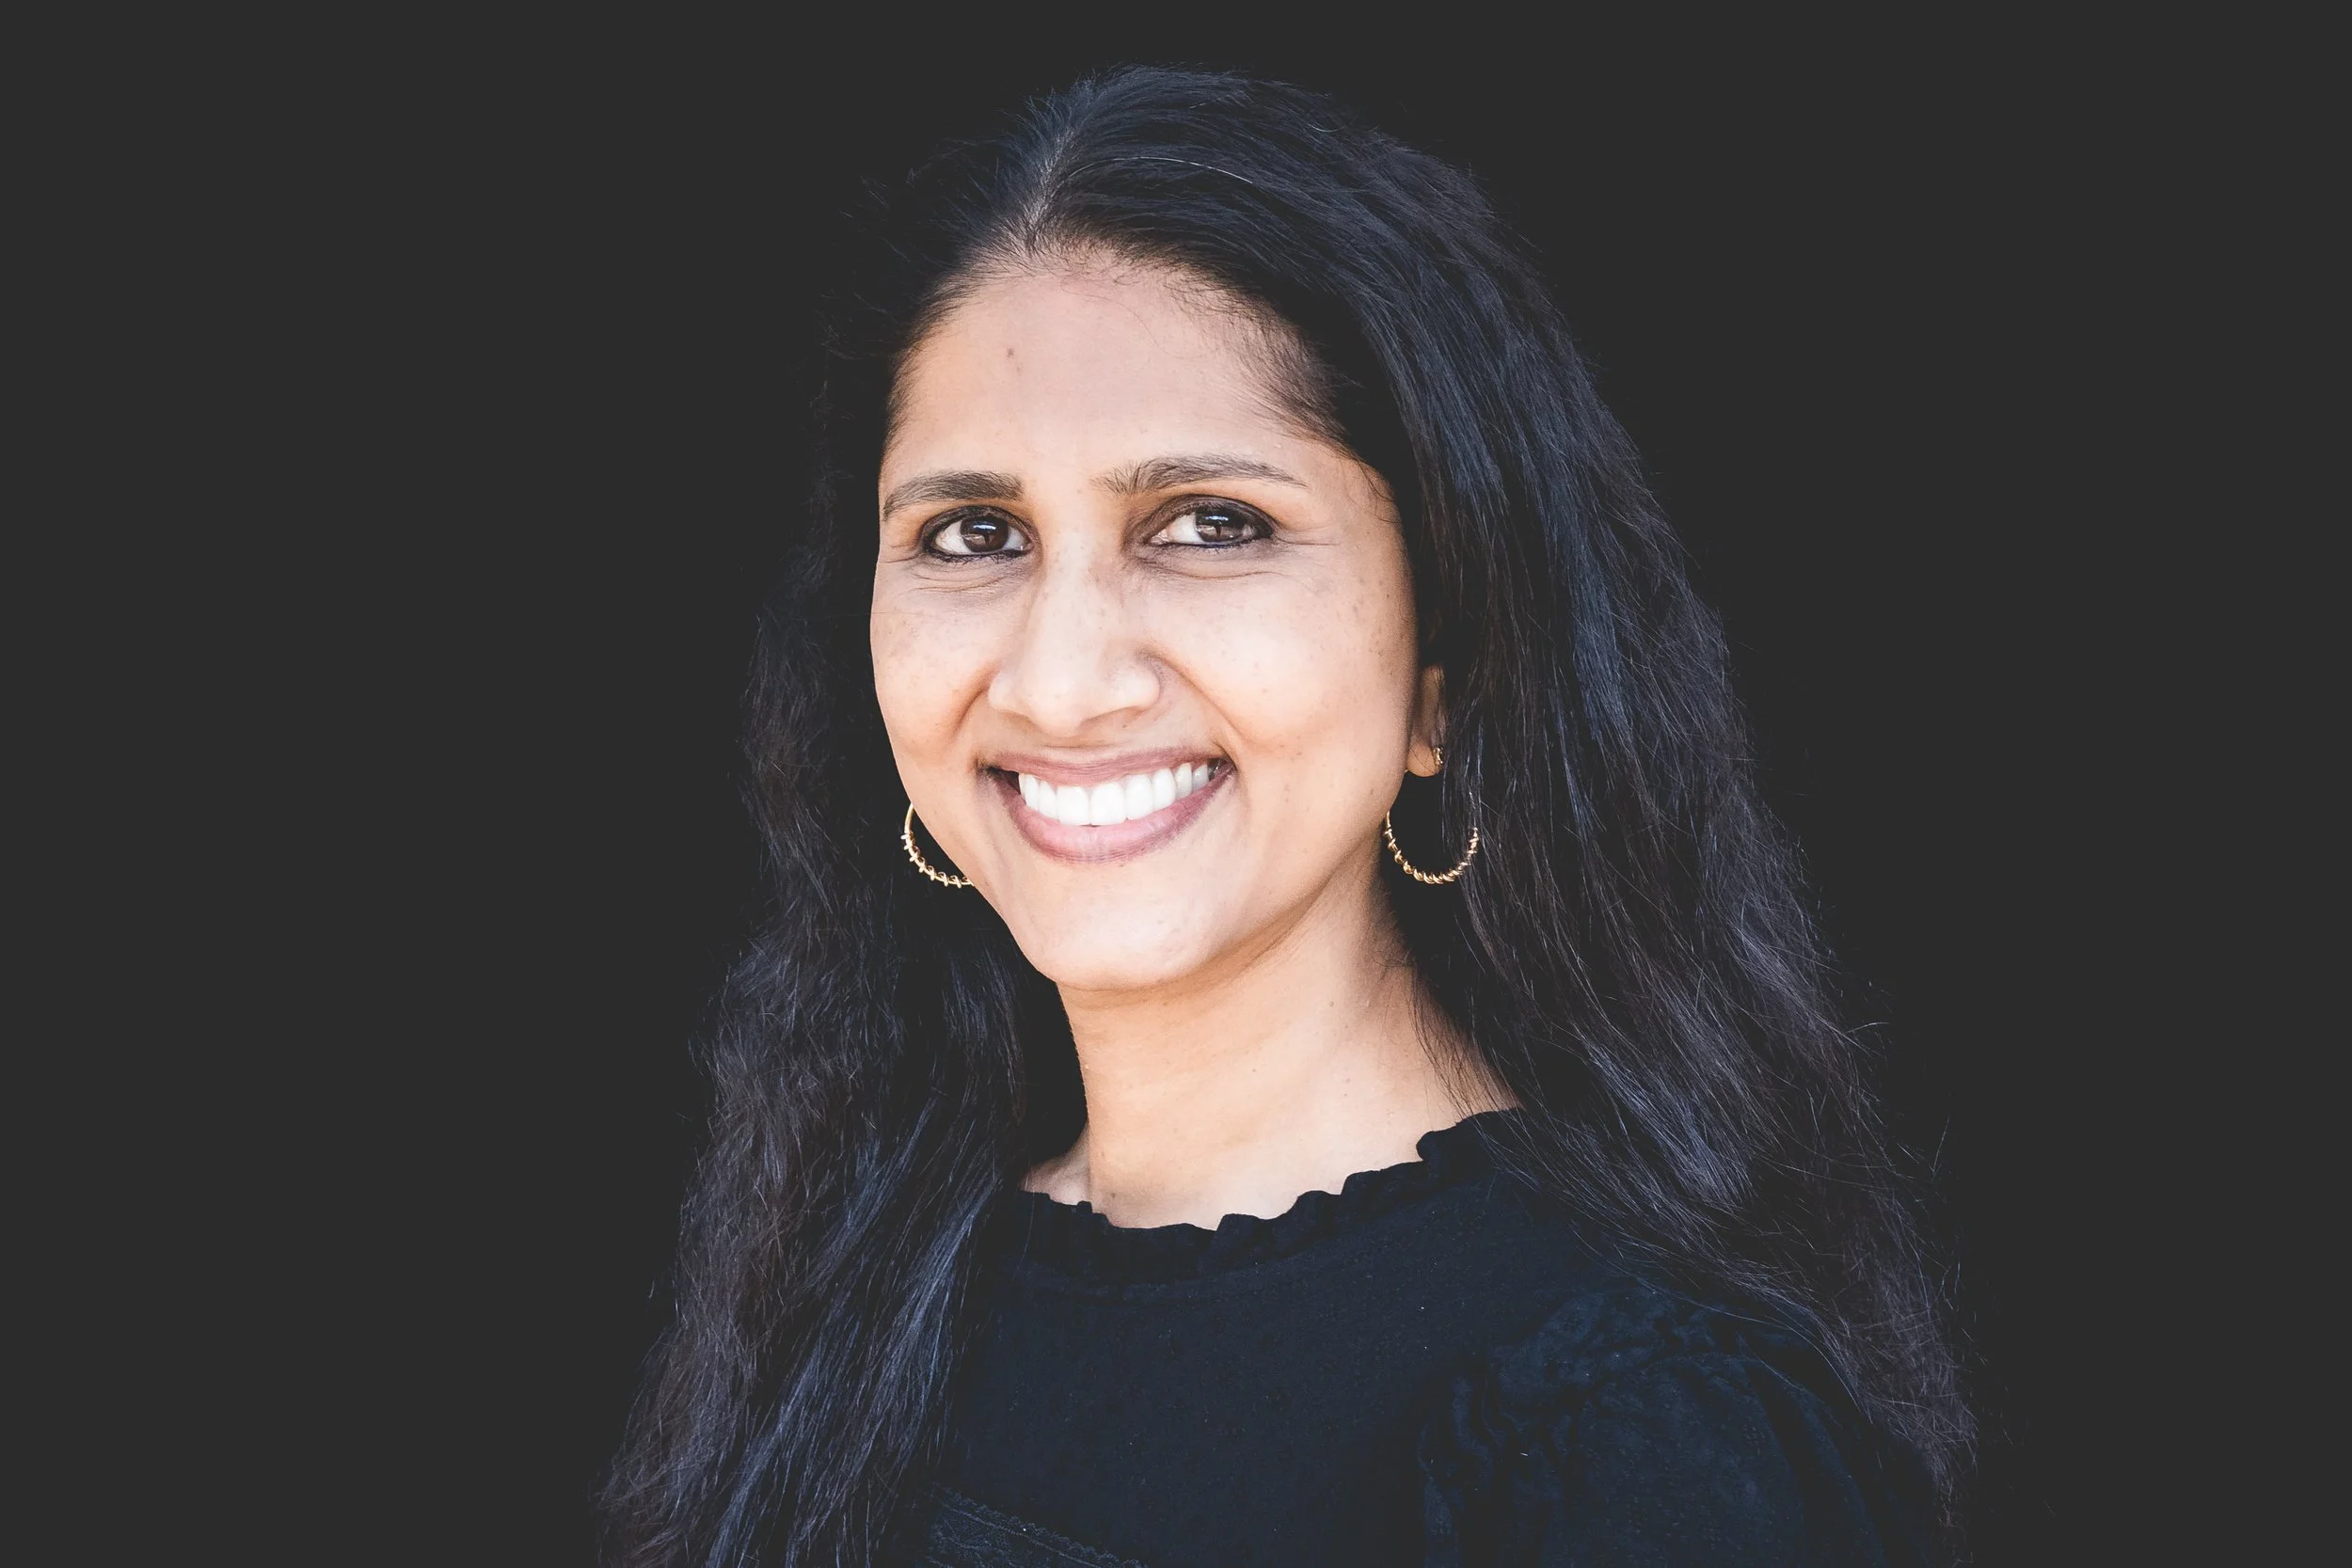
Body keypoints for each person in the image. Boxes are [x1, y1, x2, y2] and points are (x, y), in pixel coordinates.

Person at [603, 66, 1967, 1567]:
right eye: (971, 534)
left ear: (1447, 664)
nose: (1062, 684)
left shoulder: (1640, 1433)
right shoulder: (853, 1285)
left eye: (1209, 525)